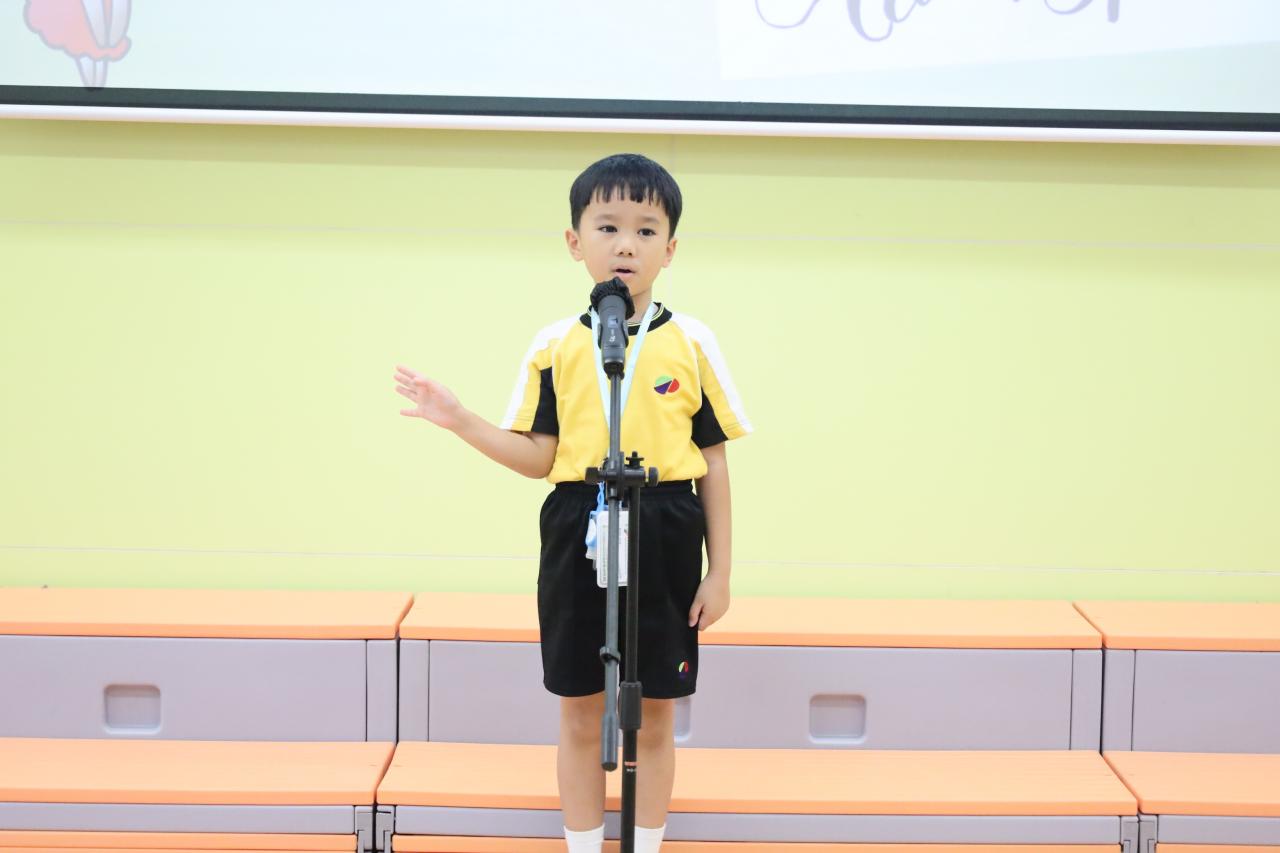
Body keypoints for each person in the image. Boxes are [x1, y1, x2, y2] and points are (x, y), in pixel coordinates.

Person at [394, 153, 750, 852]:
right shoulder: (554, 345)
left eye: (646, 230)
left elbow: (713, 461)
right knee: (581, 709)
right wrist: (460, 419)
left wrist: (721, 571)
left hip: (666, 525)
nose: (626, 245)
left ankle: (644, 845)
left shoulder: (692, 341)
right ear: (574, 241)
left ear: (670, 249)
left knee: (654, 715)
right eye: (608, 227)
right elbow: (539, 457)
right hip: (579, 525)